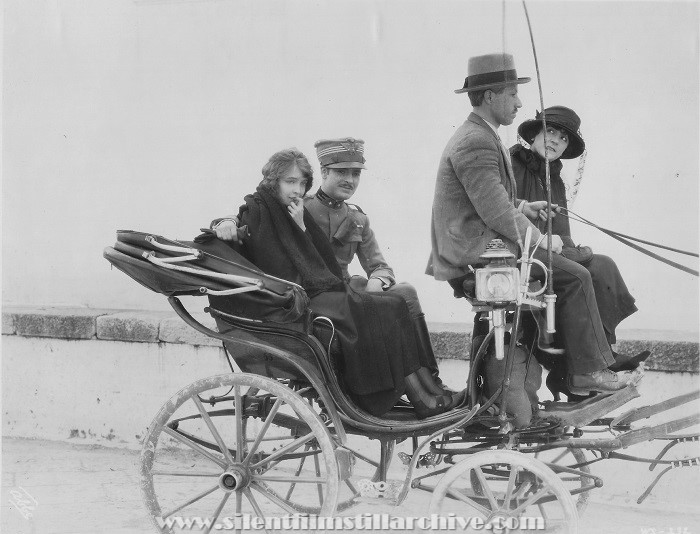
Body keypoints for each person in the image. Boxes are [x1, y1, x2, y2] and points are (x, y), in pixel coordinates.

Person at [426, 53, 641, 396]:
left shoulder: (481, 134)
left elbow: (489, 201)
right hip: (478, 252)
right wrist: (541, 237)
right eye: (512, 93)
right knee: (576, 275)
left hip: (485, 243)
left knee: (584, 269)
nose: (519, 102)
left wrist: (524, 206)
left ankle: (587, 365)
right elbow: (495, 212)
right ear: (491, 95)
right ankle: (585, 374)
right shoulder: (476, 140)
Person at [230, 147, 460, 418]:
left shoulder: (353, 217)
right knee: (385, 309)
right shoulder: (298, 207)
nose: (349, 180)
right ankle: (415, 394)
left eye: (354, 174)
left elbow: (374, 264)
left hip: (327, 287)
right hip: (306, 295)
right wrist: (226, 222)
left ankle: (429, 386)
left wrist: (378, 279)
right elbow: (245, 227)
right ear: (325, 172)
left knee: (402, 295)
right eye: (341, 172)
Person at [511, 106, 649, 394]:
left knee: (603, 266)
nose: (556, 141)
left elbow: (562, 234)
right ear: (536, 132)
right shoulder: (512, 163)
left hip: (551, 254)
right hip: (520, 254)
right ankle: (585, 369)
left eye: (563, 138)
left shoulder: (555, 179)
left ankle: (603, 356)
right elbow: (498, 209)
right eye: (550, 131)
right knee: (581, 272)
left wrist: (576, 249)